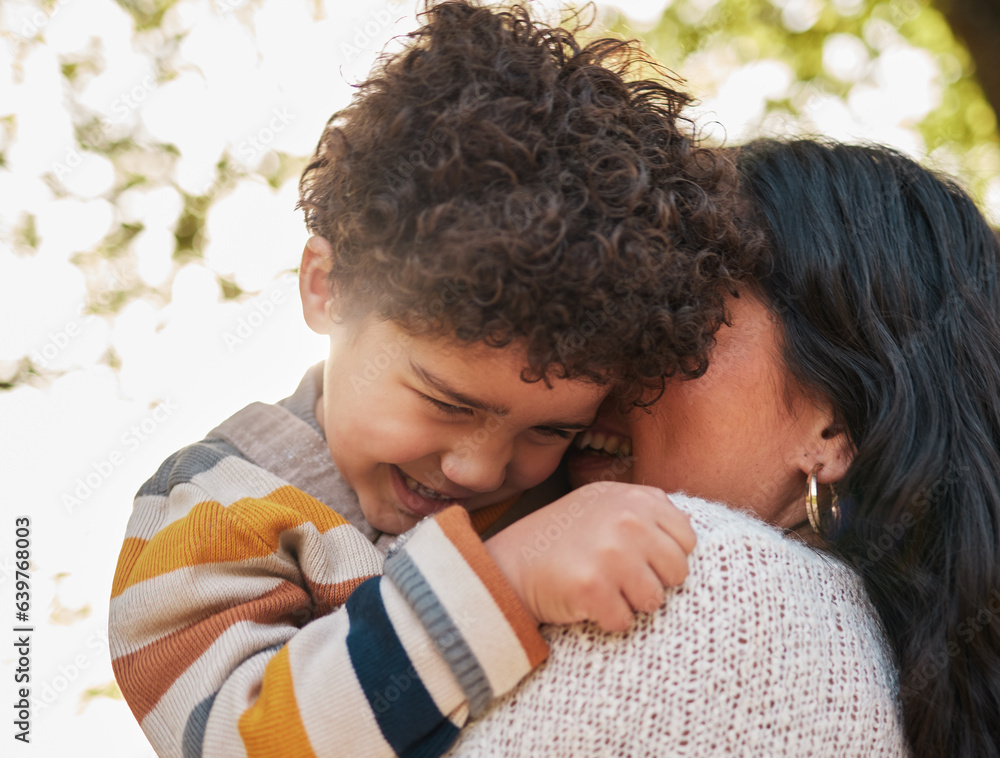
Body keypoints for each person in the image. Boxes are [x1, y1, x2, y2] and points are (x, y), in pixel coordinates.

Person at [108, 3, 747, 757]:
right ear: (329, 287)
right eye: (446, 401)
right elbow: (239, 742)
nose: (477, 468)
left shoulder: (560, 483)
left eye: (550, 428)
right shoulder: (214, 511)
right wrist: (501, 580)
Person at [446, 139, 1000, 758]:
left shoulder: (711, 585)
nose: (607, 355)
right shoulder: (859, 643)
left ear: (832, 428)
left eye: (680, 317)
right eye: (616, 308)